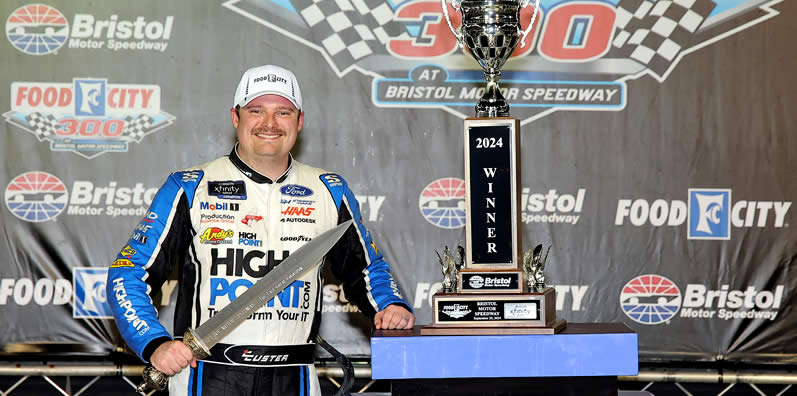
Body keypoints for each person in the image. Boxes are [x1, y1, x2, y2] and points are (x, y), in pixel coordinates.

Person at [107, 64, 415, 395]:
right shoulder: (190, 186)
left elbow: (367, 270)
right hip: (208, 375)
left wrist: (389, 306)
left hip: (295, 377)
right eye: (256, 110)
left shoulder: (330, 189)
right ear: (235, 117)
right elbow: (128, 273)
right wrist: (153, 343)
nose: (269, 123)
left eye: (283, 112)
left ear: (299, 121)